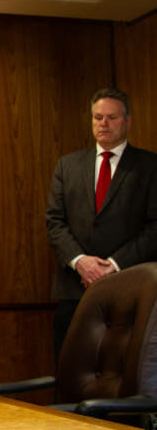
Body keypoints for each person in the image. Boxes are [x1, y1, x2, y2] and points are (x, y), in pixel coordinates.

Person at [46, 88, 157, 359]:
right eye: (98, 118)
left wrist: (113, 266)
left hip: (131, 289)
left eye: (112, 117)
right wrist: (81, 262)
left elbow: (155, 227)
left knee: (126, 373)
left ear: (127, 121)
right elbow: (55, 221)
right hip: (74, 291)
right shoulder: (67, 166)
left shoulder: (150, 166)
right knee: (70, 372)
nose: (103, 124)